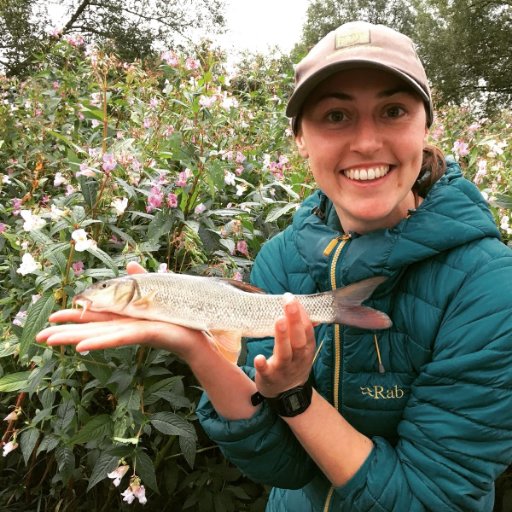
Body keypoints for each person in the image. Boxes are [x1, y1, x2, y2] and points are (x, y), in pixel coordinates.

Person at [37, 21, 512, 511]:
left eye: (393, 111)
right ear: (300, 139)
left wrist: (295, 397)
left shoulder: (493, 288)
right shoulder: (282, 257)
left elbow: (433, 501)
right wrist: (199, 350)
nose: (367, 142)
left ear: (425, 126)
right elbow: (280, 467)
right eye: (335, 115)